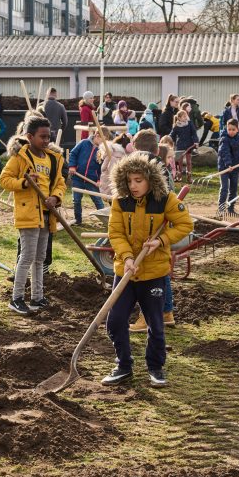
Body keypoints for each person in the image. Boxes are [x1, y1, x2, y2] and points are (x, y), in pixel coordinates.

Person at [102, 153, 193, 387]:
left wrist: (161, 241)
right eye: (129, 180)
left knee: (155, 322)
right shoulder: (120, 201)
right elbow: (116, 233)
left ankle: (155, 367)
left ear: (150, 179)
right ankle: (123, 365)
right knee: (115, 320)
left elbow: (185, 224)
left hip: (154, 273)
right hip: (127, 270)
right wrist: (128, 257)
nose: (133, 186)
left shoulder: (165, 200)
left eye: (138, 180)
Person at [0, 116, 65, 315]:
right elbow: (4, 179)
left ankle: (38, 297)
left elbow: (60, 183)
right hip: (28, 213)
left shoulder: (53, 159)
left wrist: (56, 197)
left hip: (47, 214)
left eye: (48, 137)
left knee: (40, 258)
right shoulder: (21, 157)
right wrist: (24, 183)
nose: (46, 141)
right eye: (42, 137)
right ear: (29, 136)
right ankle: (17, 298)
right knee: (26, 256)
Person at [125, 130, 178, 332]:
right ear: (156, 148)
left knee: (147, 273)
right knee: (160, 268)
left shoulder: (140, 165)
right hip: (161, 221)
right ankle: (166, 312)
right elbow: (170, 193)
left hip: (146, 224)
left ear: (135, 147)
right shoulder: (162, 165)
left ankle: (147, 317)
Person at [68, 127, 106, 225]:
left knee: (97, 200)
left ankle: (106, 221)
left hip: (91, 179)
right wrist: (72, 166)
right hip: (78, 177)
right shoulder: (83, 143)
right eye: (103, 139)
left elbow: (102, 167)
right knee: (76, 200)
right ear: (97, 136)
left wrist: (99, 179)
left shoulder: (102, 150)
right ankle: (78, 220)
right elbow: (73, 154)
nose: (104, 143)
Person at [216, 119, 239, 218]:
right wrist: (228, 164)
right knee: (224, 188)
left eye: (233, 129)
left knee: (234, 189)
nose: (231, 131)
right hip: (224, 167)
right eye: (229, 129)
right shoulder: (224, 139)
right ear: (226, 129)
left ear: (237, 129)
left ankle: (231, 208)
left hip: (235, 168)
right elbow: (225, 153)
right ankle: (221, 209)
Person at [170, 109, 199, 181]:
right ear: (179, 118)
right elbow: (172, 135)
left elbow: (194, 133)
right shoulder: (176, 126)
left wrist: (196, 141)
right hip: (180, 146)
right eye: (183, 116)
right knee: (180, 162)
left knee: (188, 162)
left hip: (189, 145)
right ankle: (179, 175)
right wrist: (168, 140)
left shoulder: (189, 124)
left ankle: (189, 176)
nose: (185, 117)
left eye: (186, 116)